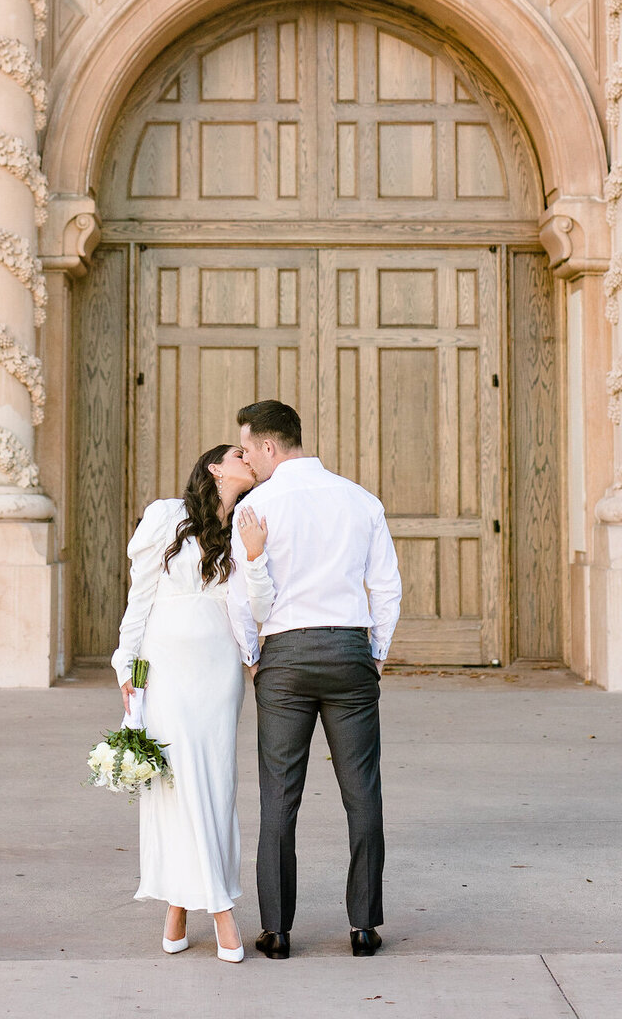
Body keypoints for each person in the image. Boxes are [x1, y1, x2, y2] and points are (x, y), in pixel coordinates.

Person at [228, 399, 403, 962]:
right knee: (363, 791)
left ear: (271, 447)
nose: (246, 458)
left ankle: (277, 931)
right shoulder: (360, 500)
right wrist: (374, 651)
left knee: (278, 795)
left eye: (249, 448)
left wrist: (254, 656)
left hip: (285, 654)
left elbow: (241, 599)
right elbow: (386, 586)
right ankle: (364, 927)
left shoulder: (256, 506)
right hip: (349, 648)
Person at [112, 442, 263, 963]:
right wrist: (126, 667)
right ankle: (218, 907)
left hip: (219, 672)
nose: (249, 459)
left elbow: (250, 606)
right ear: (215, 467)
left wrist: (252, 653)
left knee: (215, 781)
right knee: (177, 781)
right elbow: (140, 597)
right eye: (239, 453)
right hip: (166, 666)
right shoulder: (165, 517)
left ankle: (178, 905)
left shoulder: (248, 523)